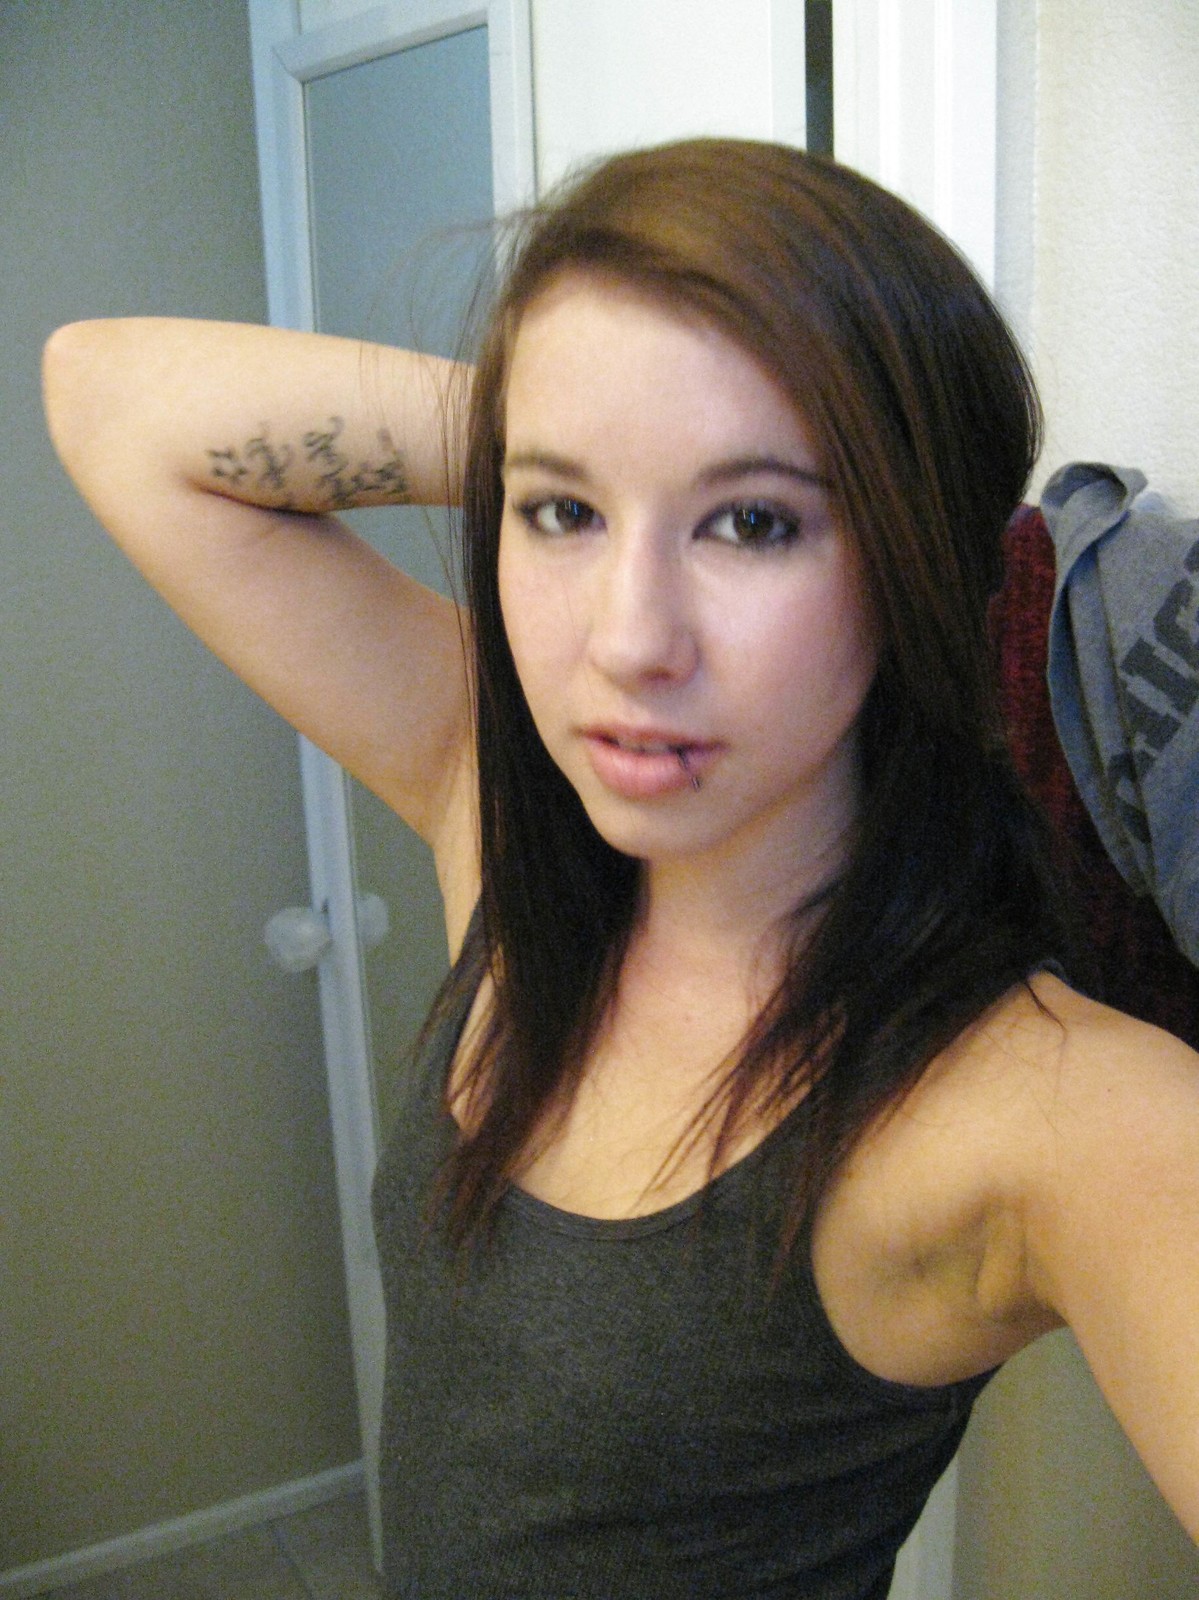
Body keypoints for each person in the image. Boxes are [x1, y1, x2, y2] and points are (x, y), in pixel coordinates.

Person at [43, 138, 1199, 1598]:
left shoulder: (1055, 1109)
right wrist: (562, 419)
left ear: (914, 550)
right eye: (563, 514)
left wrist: (598, 448)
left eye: (753, 521)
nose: (631, 640)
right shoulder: (503, 828)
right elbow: (103, 393)